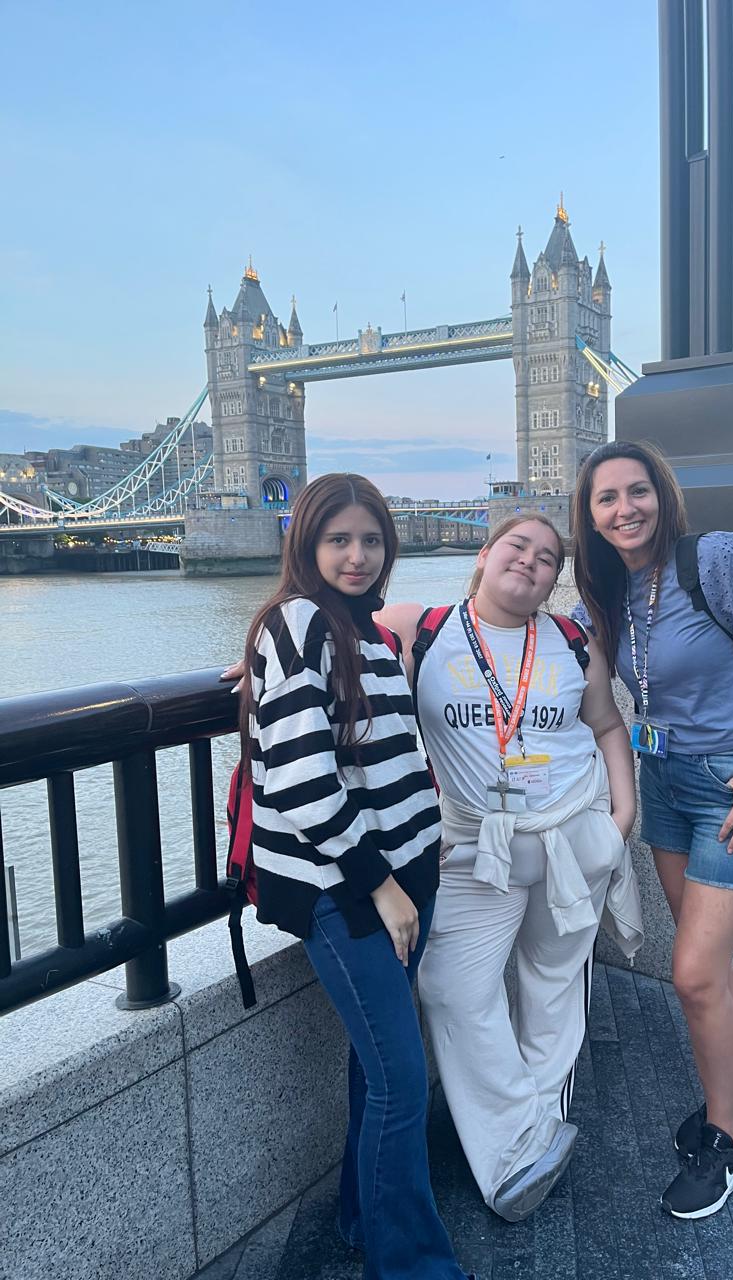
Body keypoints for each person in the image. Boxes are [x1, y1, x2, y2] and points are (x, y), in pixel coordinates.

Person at [237, 473, 473, 1280]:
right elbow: (302, 778)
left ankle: (360, 1218)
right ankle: (410, 1267)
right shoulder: (297, 623)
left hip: (405, 875)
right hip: (350, 890)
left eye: (371, 540)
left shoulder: (365, 631)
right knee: (401, 1081)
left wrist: (416, 860)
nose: (357, 555)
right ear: (305, 544)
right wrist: (380, 884)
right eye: (337, 539)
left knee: (379, 1072)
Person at [377, 515, 643, 1222]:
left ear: (554, 579)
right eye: (517, 546)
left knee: (552, 989)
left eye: (547, 558)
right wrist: (259, 655)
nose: (530, 561)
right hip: (473, 850)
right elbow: (322, 634)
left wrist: (621, 817)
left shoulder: (571, 641)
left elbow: (606, 725)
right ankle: (520, 1137)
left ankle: (535, 1132)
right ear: (485, 554)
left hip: (571, 837)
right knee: (451, 988)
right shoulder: (421, 628)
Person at [571, 440, 733, 1220]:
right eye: (607, 498)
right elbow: (524, 638)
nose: (625, 509)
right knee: (708, 965)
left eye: (637, 491)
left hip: (732, 785)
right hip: (663, 783)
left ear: (662, 493)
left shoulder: (716, 559)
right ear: (590, 515)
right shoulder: (604, 593)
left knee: (695, 973)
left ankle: (727, 1144)